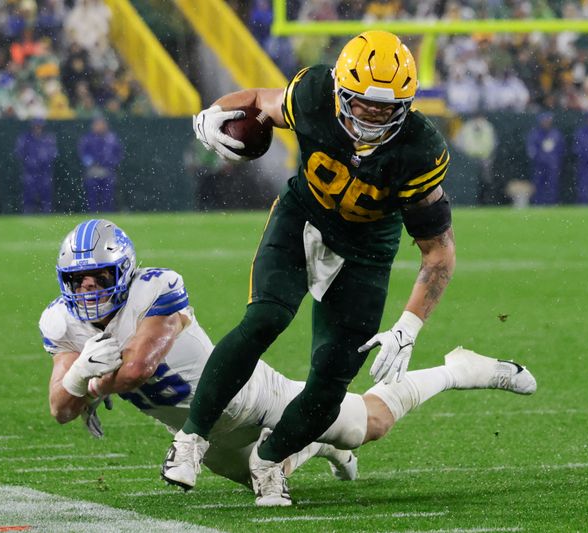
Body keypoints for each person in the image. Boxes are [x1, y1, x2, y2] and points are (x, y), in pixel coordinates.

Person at [162, 31, 459, 506]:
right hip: (303, 216)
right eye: (361, 103)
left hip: (367, 250)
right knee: (265, 318)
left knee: (332, 380)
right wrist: (218, 110)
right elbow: (260, 99)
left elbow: (438, 252)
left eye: (384, 108)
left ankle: (272, 459)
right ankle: (191, 439)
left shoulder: (420, 150)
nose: (370, 116)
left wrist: (409, 327)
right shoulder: (314, 92)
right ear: (340, 90)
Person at [43, 219, 537, 491]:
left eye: (100, 277)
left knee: (371, 424)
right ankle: (320, 445)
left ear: (124, 272)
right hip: (201, 437)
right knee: (266, 468)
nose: (88, 290)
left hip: (255, 394)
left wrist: (93, 382)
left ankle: (457, 370)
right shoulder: (63, 324)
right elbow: (59, 410)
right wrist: (74, 381)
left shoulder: (156, 289)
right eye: (77, 280)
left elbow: (137, 370)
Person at [77, 115, 122, 212]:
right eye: (97, 124)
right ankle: (92, 214)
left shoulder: (112, 138)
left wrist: (110, 163)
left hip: (107, 171)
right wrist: (92, 163)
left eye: (102, 124)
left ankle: (108, 215)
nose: (100, 127)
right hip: (93, 170)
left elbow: (118, 154)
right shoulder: (87, 138)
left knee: (108, 196)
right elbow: (83, 154)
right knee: (92, 195)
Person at [14, 118, 58, 214]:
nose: (38, 129)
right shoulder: (25, 138)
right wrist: (29, 161)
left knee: (46, 191)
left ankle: (47, 210)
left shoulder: (48, 138)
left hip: (44, 170)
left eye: (40, 126)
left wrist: (45, 160)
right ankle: (28, 210)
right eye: (36, 126)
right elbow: (19, 152)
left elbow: (53, 153)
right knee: (29, 191)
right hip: (30, 171)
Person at [453, 113, 498, 205]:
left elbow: (493, 143)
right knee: (470, 182)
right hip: (469, 160)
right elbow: (458, 142)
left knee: (486, 181)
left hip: (485, 160)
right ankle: (472, 202)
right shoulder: (466, 128)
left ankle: (486, 201)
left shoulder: (488, 128)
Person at [525, 112, 565, 205]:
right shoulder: (535, 134)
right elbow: (531, 150)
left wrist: (554, 161)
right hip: (539, 165)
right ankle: (538, 204)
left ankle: (551, 203)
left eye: (548, 121)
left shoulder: (556, 134)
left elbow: (561, 150)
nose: (546, 123)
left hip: (552, 166)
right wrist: (540, 158)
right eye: (544, 121)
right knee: (538, 185)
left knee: (552, 185)